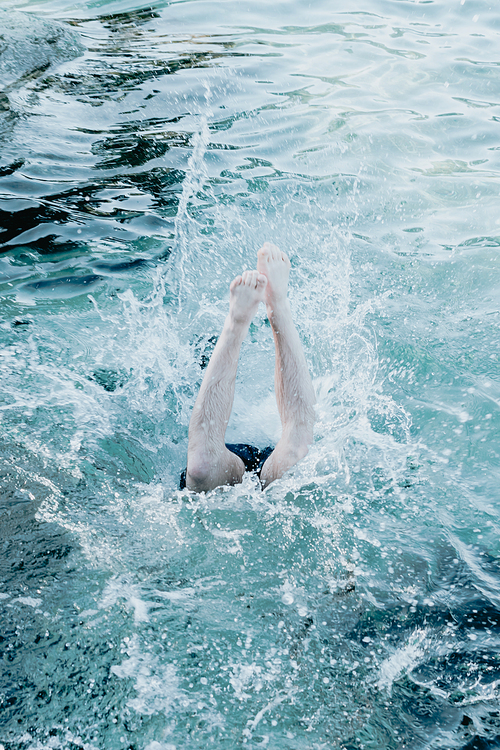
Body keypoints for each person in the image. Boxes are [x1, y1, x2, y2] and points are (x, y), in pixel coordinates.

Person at [184, 242, 315, 492]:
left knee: (297, 453)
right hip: (229, 465)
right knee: (201, 467)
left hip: (266, 466)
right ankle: (236, 323)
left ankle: (277, 304)